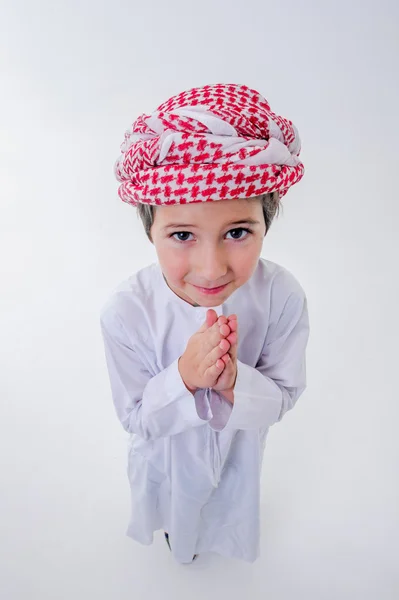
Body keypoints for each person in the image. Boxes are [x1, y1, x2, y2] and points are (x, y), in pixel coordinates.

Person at [100, 83, 310, 564]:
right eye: (182, 235)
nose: (212, 267)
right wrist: (183, 378)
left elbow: (283, 396)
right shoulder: (126, 312)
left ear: (266, 222)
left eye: (238, 232)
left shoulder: (281, 296)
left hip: (241, 456)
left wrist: (238, 384)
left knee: (227, 506)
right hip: (166, 464)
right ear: (149, 228)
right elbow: (136, 419)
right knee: (179, 511)